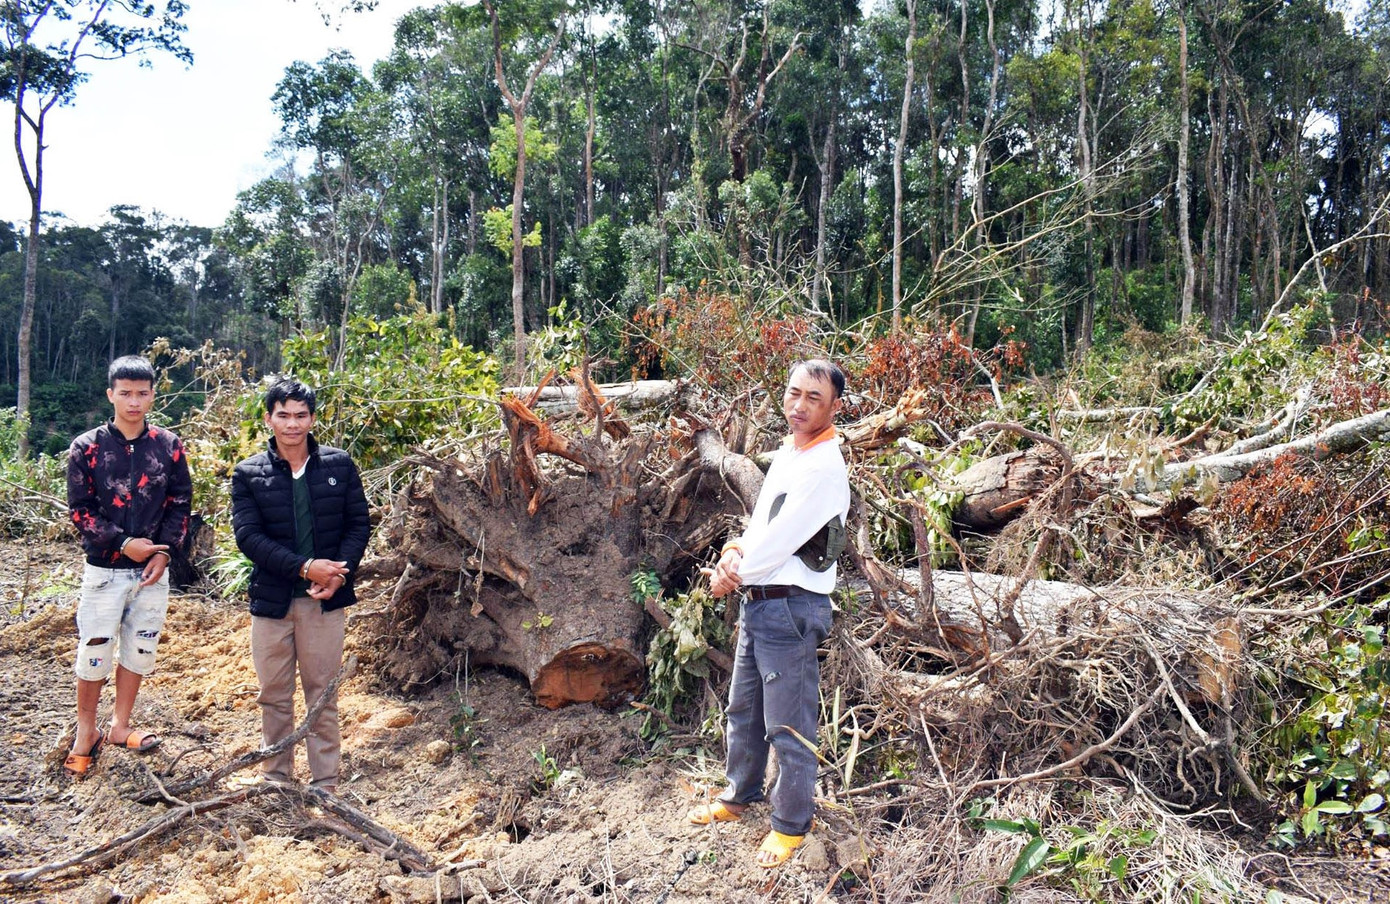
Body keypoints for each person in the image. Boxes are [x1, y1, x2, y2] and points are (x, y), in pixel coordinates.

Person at [688, 358, 851, 868]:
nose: (799, 406)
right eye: (794, 393)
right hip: (761, 604)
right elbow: (763, 521)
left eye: (814, 399)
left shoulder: (825, 468)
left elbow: (782, 541)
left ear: (834, 408)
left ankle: (791, 826)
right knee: (744, 709)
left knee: (790, 724)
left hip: (791, 608)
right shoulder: (790, 452)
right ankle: (739, 795)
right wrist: (735, 548)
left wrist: (729, 573)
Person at [231, 377, 370, 793]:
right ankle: (277, 780)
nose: (292, 424)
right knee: (273, 695)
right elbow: (249, 538)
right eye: (283, 415)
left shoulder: (339, 465)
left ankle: (325, 782)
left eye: (300, 416)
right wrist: (306, 567)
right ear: (269, 418)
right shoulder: (249, 474)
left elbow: (358, 524)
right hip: (272, 603)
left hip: (324, 603)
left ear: (312, 418)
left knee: (322, 695)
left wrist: (336, 574)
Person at [65, 355, 193, 777]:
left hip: (152, 571)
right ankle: (86, 732)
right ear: (111, 395)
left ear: (153, 395)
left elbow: (180, 504)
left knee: (139, 648)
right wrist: (122, 542)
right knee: (95, 647)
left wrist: (162, 552)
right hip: (104, 568)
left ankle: (120, 726)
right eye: (126, 393)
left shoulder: (169, 446)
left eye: (142, 393)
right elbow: (80, 510)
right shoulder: (87, 447)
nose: (134, 402)